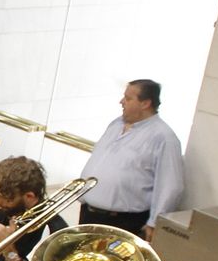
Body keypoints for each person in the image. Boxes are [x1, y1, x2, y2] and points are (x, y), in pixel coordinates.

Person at [77, 79, 185, 240]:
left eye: (128, 98)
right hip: (89, 213)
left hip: (122, 221)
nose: (121, 102)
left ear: (145, 103)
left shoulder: (164, 137)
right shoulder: (115, 124)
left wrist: (154, 223)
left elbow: (170, 185)